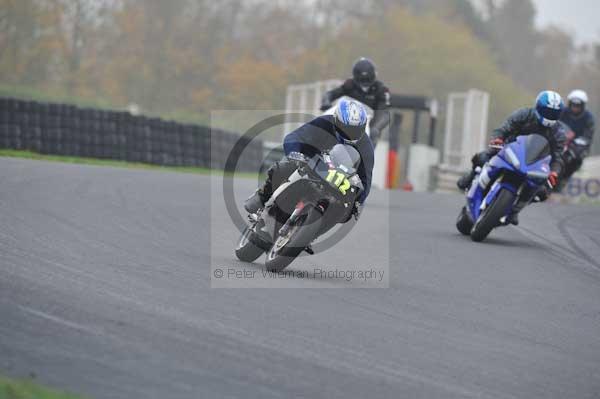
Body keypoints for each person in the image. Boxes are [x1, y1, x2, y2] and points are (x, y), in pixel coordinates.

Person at [244, 99, 374, 222]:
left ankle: (310, 234)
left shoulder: (366, 146)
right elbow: (295, 137)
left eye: (354, 130)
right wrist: (295, 153)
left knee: (344, 211)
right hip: (311, 163)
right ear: (336, 121)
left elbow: (366, 178)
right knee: (285, 168)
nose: (349, 134)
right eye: (345, 128)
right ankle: (263, 196)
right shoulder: (324, 123)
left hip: (337, 178)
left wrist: (358, 201)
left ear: (363, 128)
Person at [456, 90, 567, 225]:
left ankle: (515, 210)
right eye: (547, 111)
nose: (550, 115)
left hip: (535, 164)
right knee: (483, 157)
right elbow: (504, 128)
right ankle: (470, 176)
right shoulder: (524, 114)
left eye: (554, 113)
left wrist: (554, 171)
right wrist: (498, 139)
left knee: (542, 192)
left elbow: (558, 156)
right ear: (538, 107)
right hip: (509, 149)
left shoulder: (559, 132)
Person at [320, 57, 391, 146]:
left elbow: (384, 113)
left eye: (368, 79)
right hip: (346, 118)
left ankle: (365, 157)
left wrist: (375, 128)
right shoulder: (349, 85)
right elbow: (330, 94)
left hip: (366, 123)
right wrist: (326, 103)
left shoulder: (381, 90)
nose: (365, 84)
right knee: (323, 123)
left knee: (374, 134)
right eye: (362, 80)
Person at [558, 89, 595, 181]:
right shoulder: (562, 112)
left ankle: (565, 178)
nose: (575, 108)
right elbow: (555, 124)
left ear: (582, 106)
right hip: (560, 139)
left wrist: (575, 141)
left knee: (576, 158)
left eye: (578, 106)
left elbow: (588, 136)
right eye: (573, 105)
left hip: (577, 145)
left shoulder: (588, 118)